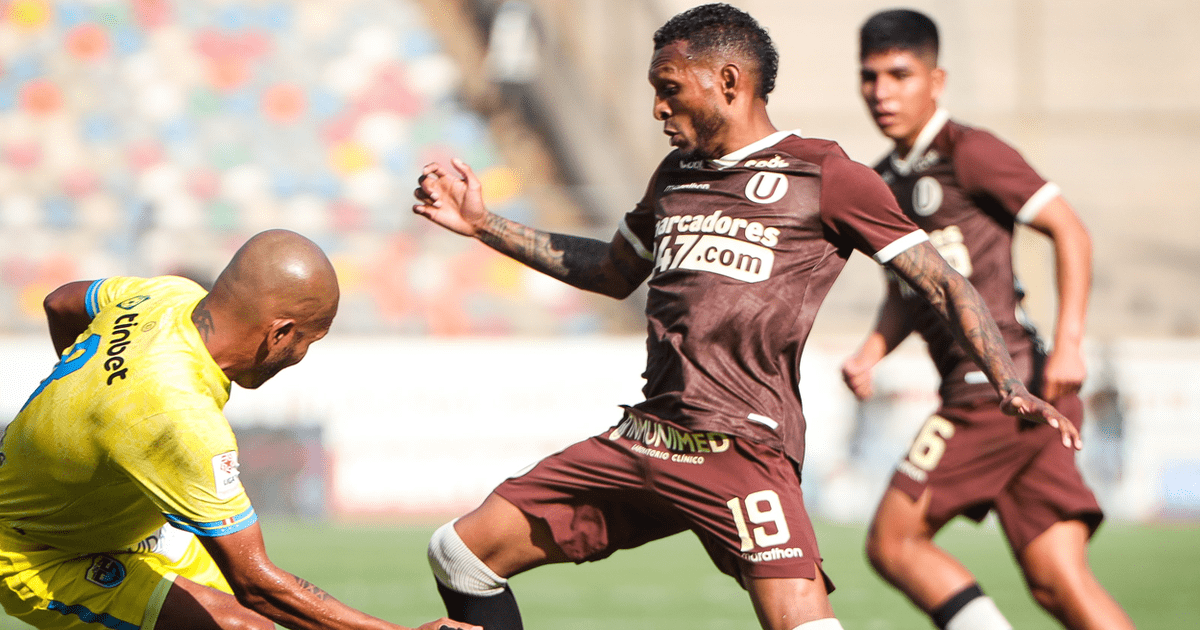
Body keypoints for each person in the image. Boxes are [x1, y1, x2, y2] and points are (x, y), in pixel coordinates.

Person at [413, 5, 1078, 630]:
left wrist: (1009, 385)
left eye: (669, 87)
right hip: (646, 440)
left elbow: (942, 280)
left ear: (728, 81)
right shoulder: (676, 174)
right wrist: (482, 225)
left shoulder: (826, 173)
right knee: (460, 555)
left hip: (741, 449)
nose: (657, 107)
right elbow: (613, 272)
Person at [0, 229, 474, 630]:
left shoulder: (167, 295)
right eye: (310, 339)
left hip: (117, 528)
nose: (303, 355)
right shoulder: (176, 415)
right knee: (240, 625)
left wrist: (89, 399)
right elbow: (256, 587)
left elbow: (60, 301)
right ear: (280, 333)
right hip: (36, 553)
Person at [841, 9, 1135, 630]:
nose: (882, 92)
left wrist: (1072, 344)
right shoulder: (882, 180)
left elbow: (1069, 230)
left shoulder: (970, 152)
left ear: (937, 79)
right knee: (1059, 583)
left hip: (998, 392)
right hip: (1010, 400)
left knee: (893, 542)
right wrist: (872, 350)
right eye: (870, 77)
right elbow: (908, 292)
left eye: (900, 74)